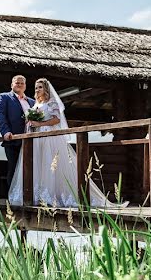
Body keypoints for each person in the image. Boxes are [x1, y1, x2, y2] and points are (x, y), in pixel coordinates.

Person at [7, 78, 128, 209]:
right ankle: (36, 194)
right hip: (37, 137)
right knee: (38, 164)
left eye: (40, 87)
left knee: (50, 163)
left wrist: (39, 123)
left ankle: (52, 196)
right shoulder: (36, 103)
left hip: (49, 136)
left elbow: (56, 120)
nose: (37, 90)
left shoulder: (52, 102)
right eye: (36, 87)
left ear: (46, 89)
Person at [0, 75, 34, 193]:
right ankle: (13, 198)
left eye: (22, 83)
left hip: (31, 141)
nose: (19, 85)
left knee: (31, 169)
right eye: (17, 83)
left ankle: (28, 194)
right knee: (14, 169)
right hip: (13, 140)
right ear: (12, 85)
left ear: (25, 86)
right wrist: (5, 132)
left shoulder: (32, 102)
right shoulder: (4, 97)